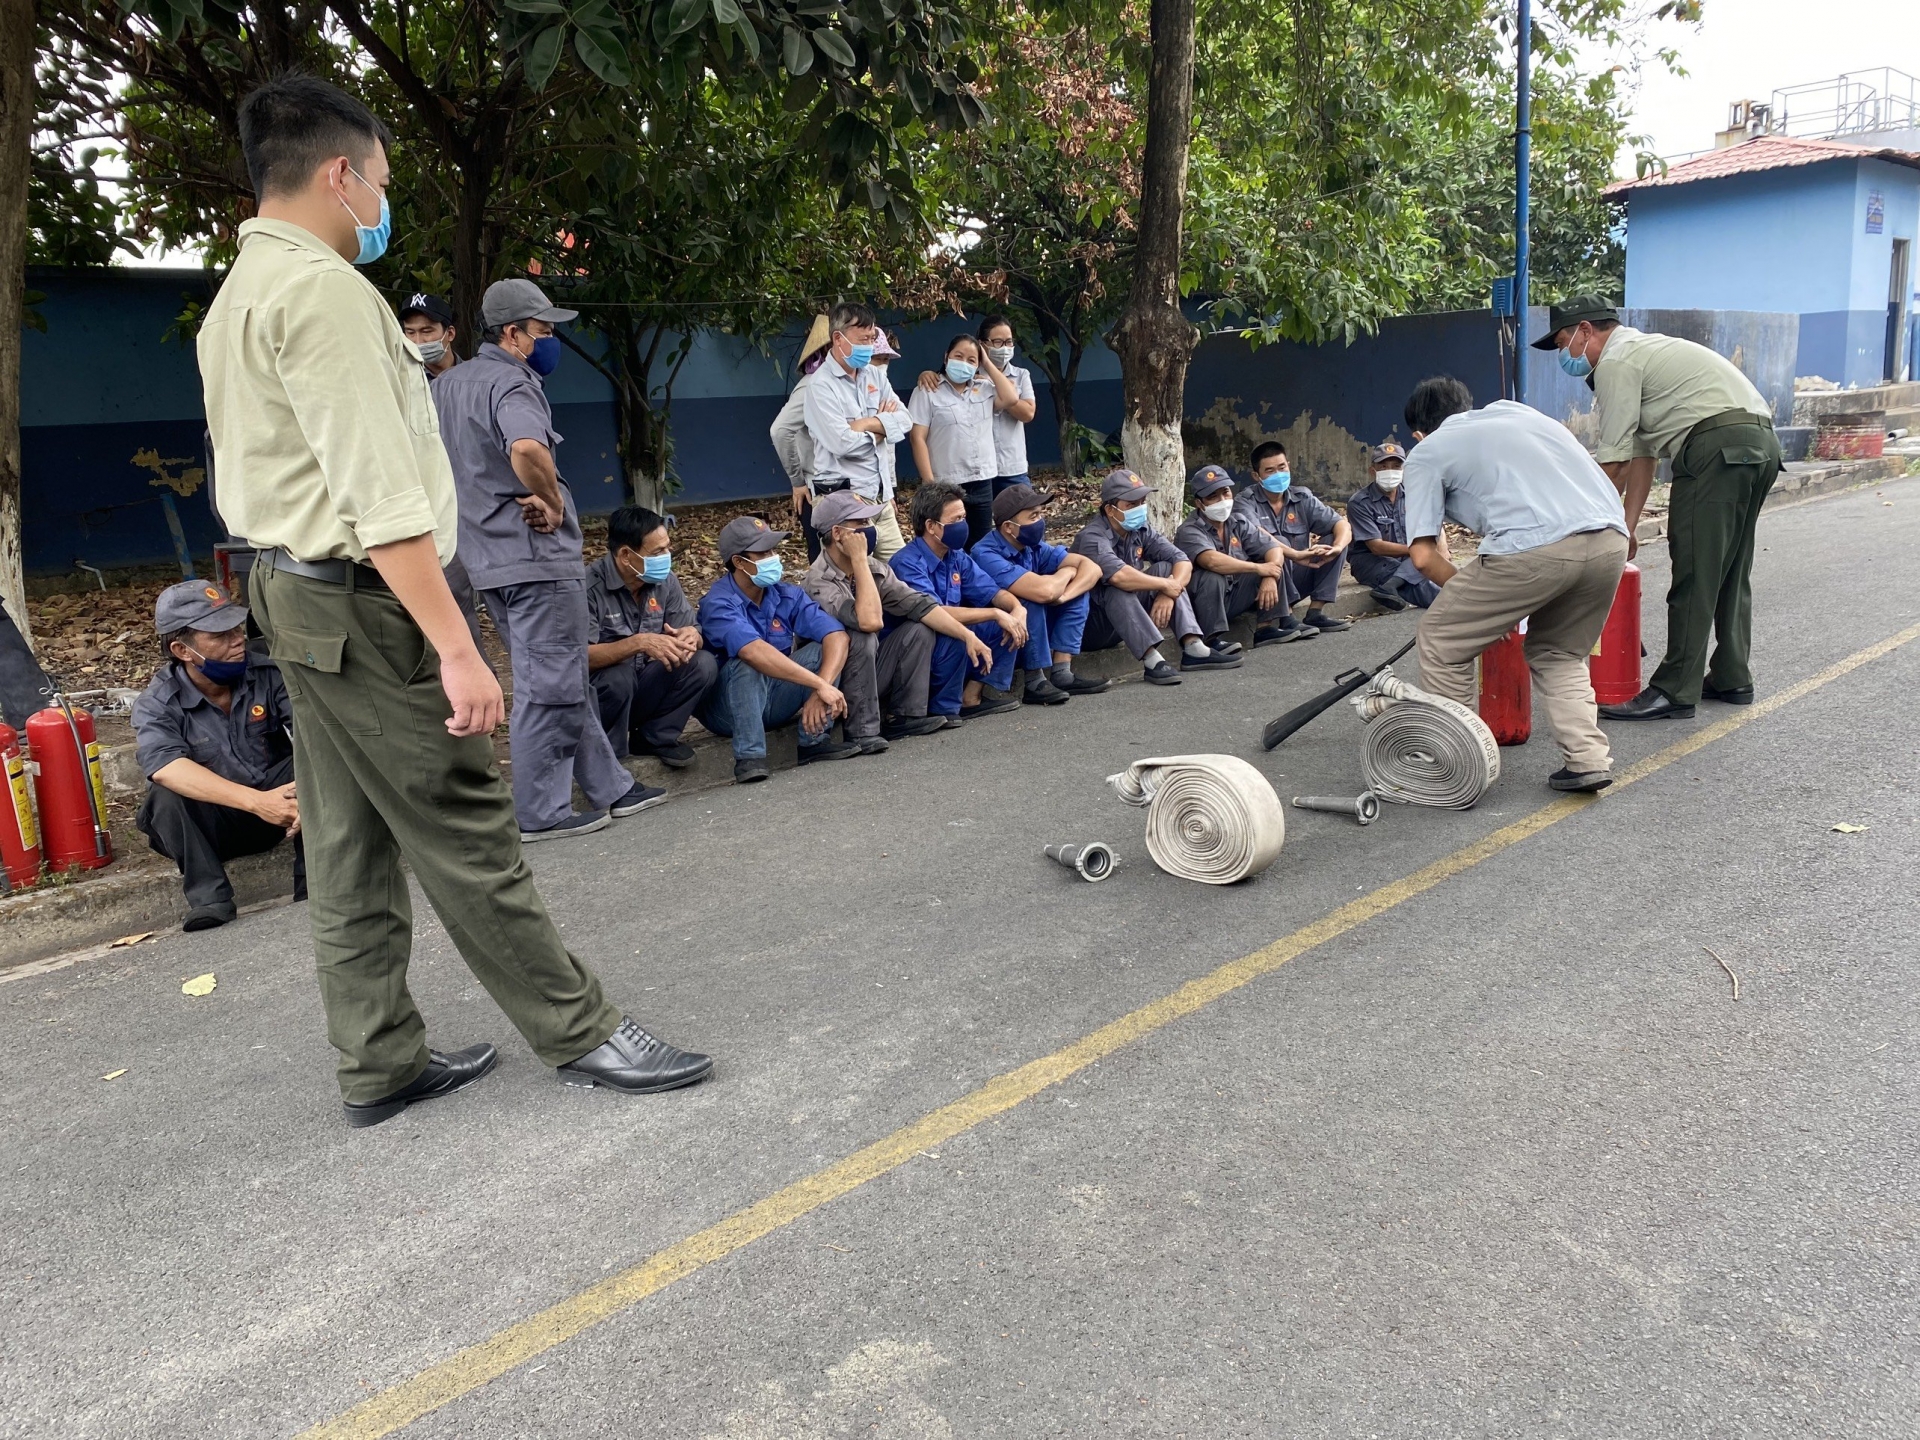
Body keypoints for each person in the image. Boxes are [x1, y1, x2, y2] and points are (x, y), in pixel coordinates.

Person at [201, 74, 709, 1128]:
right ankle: (579, 1029)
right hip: (360, 601)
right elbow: (380, 499)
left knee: (347, 844)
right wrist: (460, 650)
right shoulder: (326, 294)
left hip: (290, 598)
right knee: (465, 817)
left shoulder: (237, 294)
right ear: (339, 175)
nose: (383, 205)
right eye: (380, 182)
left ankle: (379, 1059)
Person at [433, 276, 664, 840]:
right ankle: (542, 812)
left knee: (554, 673)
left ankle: (610, 785)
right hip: (533, 554)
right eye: (543, 331)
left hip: (480, 553)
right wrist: (555, 502)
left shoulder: (448, 384)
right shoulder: (512, 383)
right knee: (551, 686)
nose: (551, 340)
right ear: (513, 334)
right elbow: (528, 448)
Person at [1535, 295, 1782, 720]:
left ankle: (1674, 688)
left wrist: (1578, 528)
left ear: (1586, 330)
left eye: (1563, 342)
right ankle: (1730, 674)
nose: (1565, 354)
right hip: (1759, 446)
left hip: (1714, 450)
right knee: (1730, 569)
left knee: (1695, 571)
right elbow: (1642, 455)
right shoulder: (1645, 352)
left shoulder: (1615, 362)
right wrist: (1625, 527)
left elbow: (1612, 463)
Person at [1400, 375, 1630, 793]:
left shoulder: (1426, 452)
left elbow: (1422, 557)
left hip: (1533, 547)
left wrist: (1484, 604)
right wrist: (1493, 604)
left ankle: (1455, 767)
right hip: (1610, 539)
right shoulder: (1519, 413)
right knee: (1559, 652)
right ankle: (1588, 760)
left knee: (1440, 641)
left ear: (1419, 433)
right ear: (1467, 405)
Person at [132, 580, 304, 932]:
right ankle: (210, 898)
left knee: (319, 765)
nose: (237, 639)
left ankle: (314, 881)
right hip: (217, 826)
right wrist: (257, 802)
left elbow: (313, 733)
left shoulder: (269, 673)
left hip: (285, 810)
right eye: (220, 635)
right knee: (164, 796)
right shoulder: (158, 703)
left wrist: (308, 786)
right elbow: (165, 767)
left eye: (236, 628)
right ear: (182, 649)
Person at [803, 489, 998, 741]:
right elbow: (869, 621)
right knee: (862, 637)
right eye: (860, 523)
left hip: (870, 673)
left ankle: (905, 716)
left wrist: (967, 636)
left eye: (869, 521)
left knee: (920, 627)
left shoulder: (876, 568)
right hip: (831, 682)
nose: (869, 528)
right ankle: (862, 731)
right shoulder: (818, 581)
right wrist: (860, 561)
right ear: (838, 533)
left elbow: (920, 606)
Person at [696, 515, 858, 782]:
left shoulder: (785, 593)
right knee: (747, 663)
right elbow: (754, 652)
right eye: (763, 552)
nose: (773, 557)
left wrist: (822, 687)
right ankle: (750, 757)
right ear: (738, 562)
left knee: (823, 649)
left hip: (773, 696)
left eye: (773, 550)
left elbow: (836, 635)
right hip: (727, 710)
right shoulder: (719, 602)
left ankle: (814, 742)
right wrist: (819, 684)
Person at [1071, 469, 1240, 685]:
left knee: (1164, 567)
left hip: (1122, 619)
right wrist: (1165, 585)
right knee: (1115, 587)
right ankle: (1152, 661)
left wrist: (1169, 592)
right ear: (1110, 510)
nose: (1139, 508)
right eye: (1130, 504)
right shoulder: (1092, 537)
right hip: (1091, 626)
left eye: (1141, 501)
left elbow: (1182, 559)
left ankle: (1193, 647)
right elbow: (1121, 577)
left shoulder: (1140, 529)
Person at [585, 504, 717, 768]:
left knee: (702, 663)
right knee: (618, 677)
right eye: (658, 551)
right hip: (601, 699)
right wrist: (638, 643)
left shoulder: (664, 580)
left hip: (647, 687)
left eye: (667, 547)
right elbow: (579, 657)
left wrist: (692, 635)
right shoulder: (588, 587)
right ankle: (609, 760)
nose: (667, 556)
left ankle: (654, 737)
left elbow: (692, 630)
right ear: (625, 555)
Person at [889, 483, 1036, 717]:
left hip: (947, 648)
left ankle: (971, 697)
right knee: (957, 632)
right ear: (931, 526)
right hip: (917, 654)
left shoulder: (956, 556)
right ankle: (941, 708)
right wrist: (995, 614)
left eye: (964, 517)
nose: (963, 525)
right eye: (956, 519)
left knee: (1004, 623)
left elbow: (993, 592)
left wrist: (1016, 609)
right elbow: (935, 613)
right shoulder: (907, 563)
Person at [969, 483, 1110, 699]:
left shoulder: (1032, 545)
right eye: (1033, 516)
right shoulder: (985, 553)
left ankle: (1062, 672)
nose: (1040, 522)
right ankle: (1034, 680)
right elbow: (1043, 593)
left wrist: (1062, 595)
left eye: (1040, 514)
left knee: (1078, 593)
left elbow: (1092, 569)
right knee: (1029, 599)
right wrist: (1066, 573)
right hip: (1000, 638)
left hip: (1034, 631)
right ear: (1009, 527)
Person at [802, 301, 912, 557]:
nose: (869, 346)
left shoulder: (874, 376)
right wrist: (884, 426)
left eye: (871, 339)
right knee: (855, 580)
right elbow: (842, 444)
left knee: (901, 575)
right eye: (863, 340)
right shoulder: (820, 387)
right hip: (845, 505)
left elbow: (906, 420)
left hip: (881, 499)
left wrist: (866, 424)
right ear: (838, 339)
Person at [1174, 464, 1312, 649]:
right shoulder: (1189, 530)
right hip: (1205, 602)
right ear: (1199, 503)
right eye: (1212, 497)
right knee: (1213, 577)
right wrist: (1259, 568)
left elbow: (1273, 548)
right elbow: (1212, 561)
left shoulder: (1237, 522)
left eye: (1225, 493)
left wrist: (1269, 576)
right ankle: (1211, 640)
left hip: (1235, 595)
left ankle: (1265, 628)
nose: (1222, 500)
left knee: (1273, 554)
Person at [907, 334, 1019, 546]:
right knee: (947, 542)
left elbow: (1012, 398)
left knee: (980, 543)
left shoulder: (984, 389)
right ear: (946, 356)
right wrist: (930, 484)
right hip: (946, 482)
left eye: (971, 360)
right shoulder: (928, 390)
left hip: (981, 481)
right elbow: (917, 438)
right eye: (958, 356)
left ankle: (975, 579)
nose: (964, 363)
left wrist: (987, 363)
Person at [1234, 441, 1353, 633]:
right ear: (1257, 476)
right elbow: (1257, 534)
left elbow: (1342, 524)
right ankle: (1286, 617)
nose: (1278, 475)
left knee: (1335, 540)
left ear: (1289, 465)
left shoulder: (1301, 497)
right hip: (1263, 586)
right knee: (1278, 544)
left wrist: (1337, 547)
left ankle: (1315, 612)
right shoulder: (1245, 501)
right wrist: (1294, 554)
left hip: (1298, 576)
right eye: (1270, 471)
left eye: (1282, 468)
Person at [1346, 440, 1441, 611]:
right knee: (1420, 581)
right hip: (1371, 561)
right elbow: (1376, 547)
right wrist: (1417, 551)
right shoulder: (1360, 502)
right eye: (1383, 467)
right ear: (1372, 471)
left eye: (1396, 466)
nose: (1390, 471)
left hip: (1407, 559)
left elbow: (1434, 525)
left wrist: (1441, 550)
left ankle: (1390, 586)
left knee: (1433, 567)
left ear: (1404, 470)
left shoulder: (1413, 494)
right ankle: (1450, 606)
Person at [770, 313, 832, 562]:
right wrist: (797, 481)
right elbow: (780, 430)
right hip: (819, 488)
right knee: (825, 564)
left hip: (842, 487)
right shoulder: (812, 385)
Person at [397, 292, 458, 377]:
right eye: (411, 332)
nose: (418, 341)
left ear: (450, 334)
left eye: (426, 331)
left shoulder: (472, 374)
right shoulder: (401, 378)